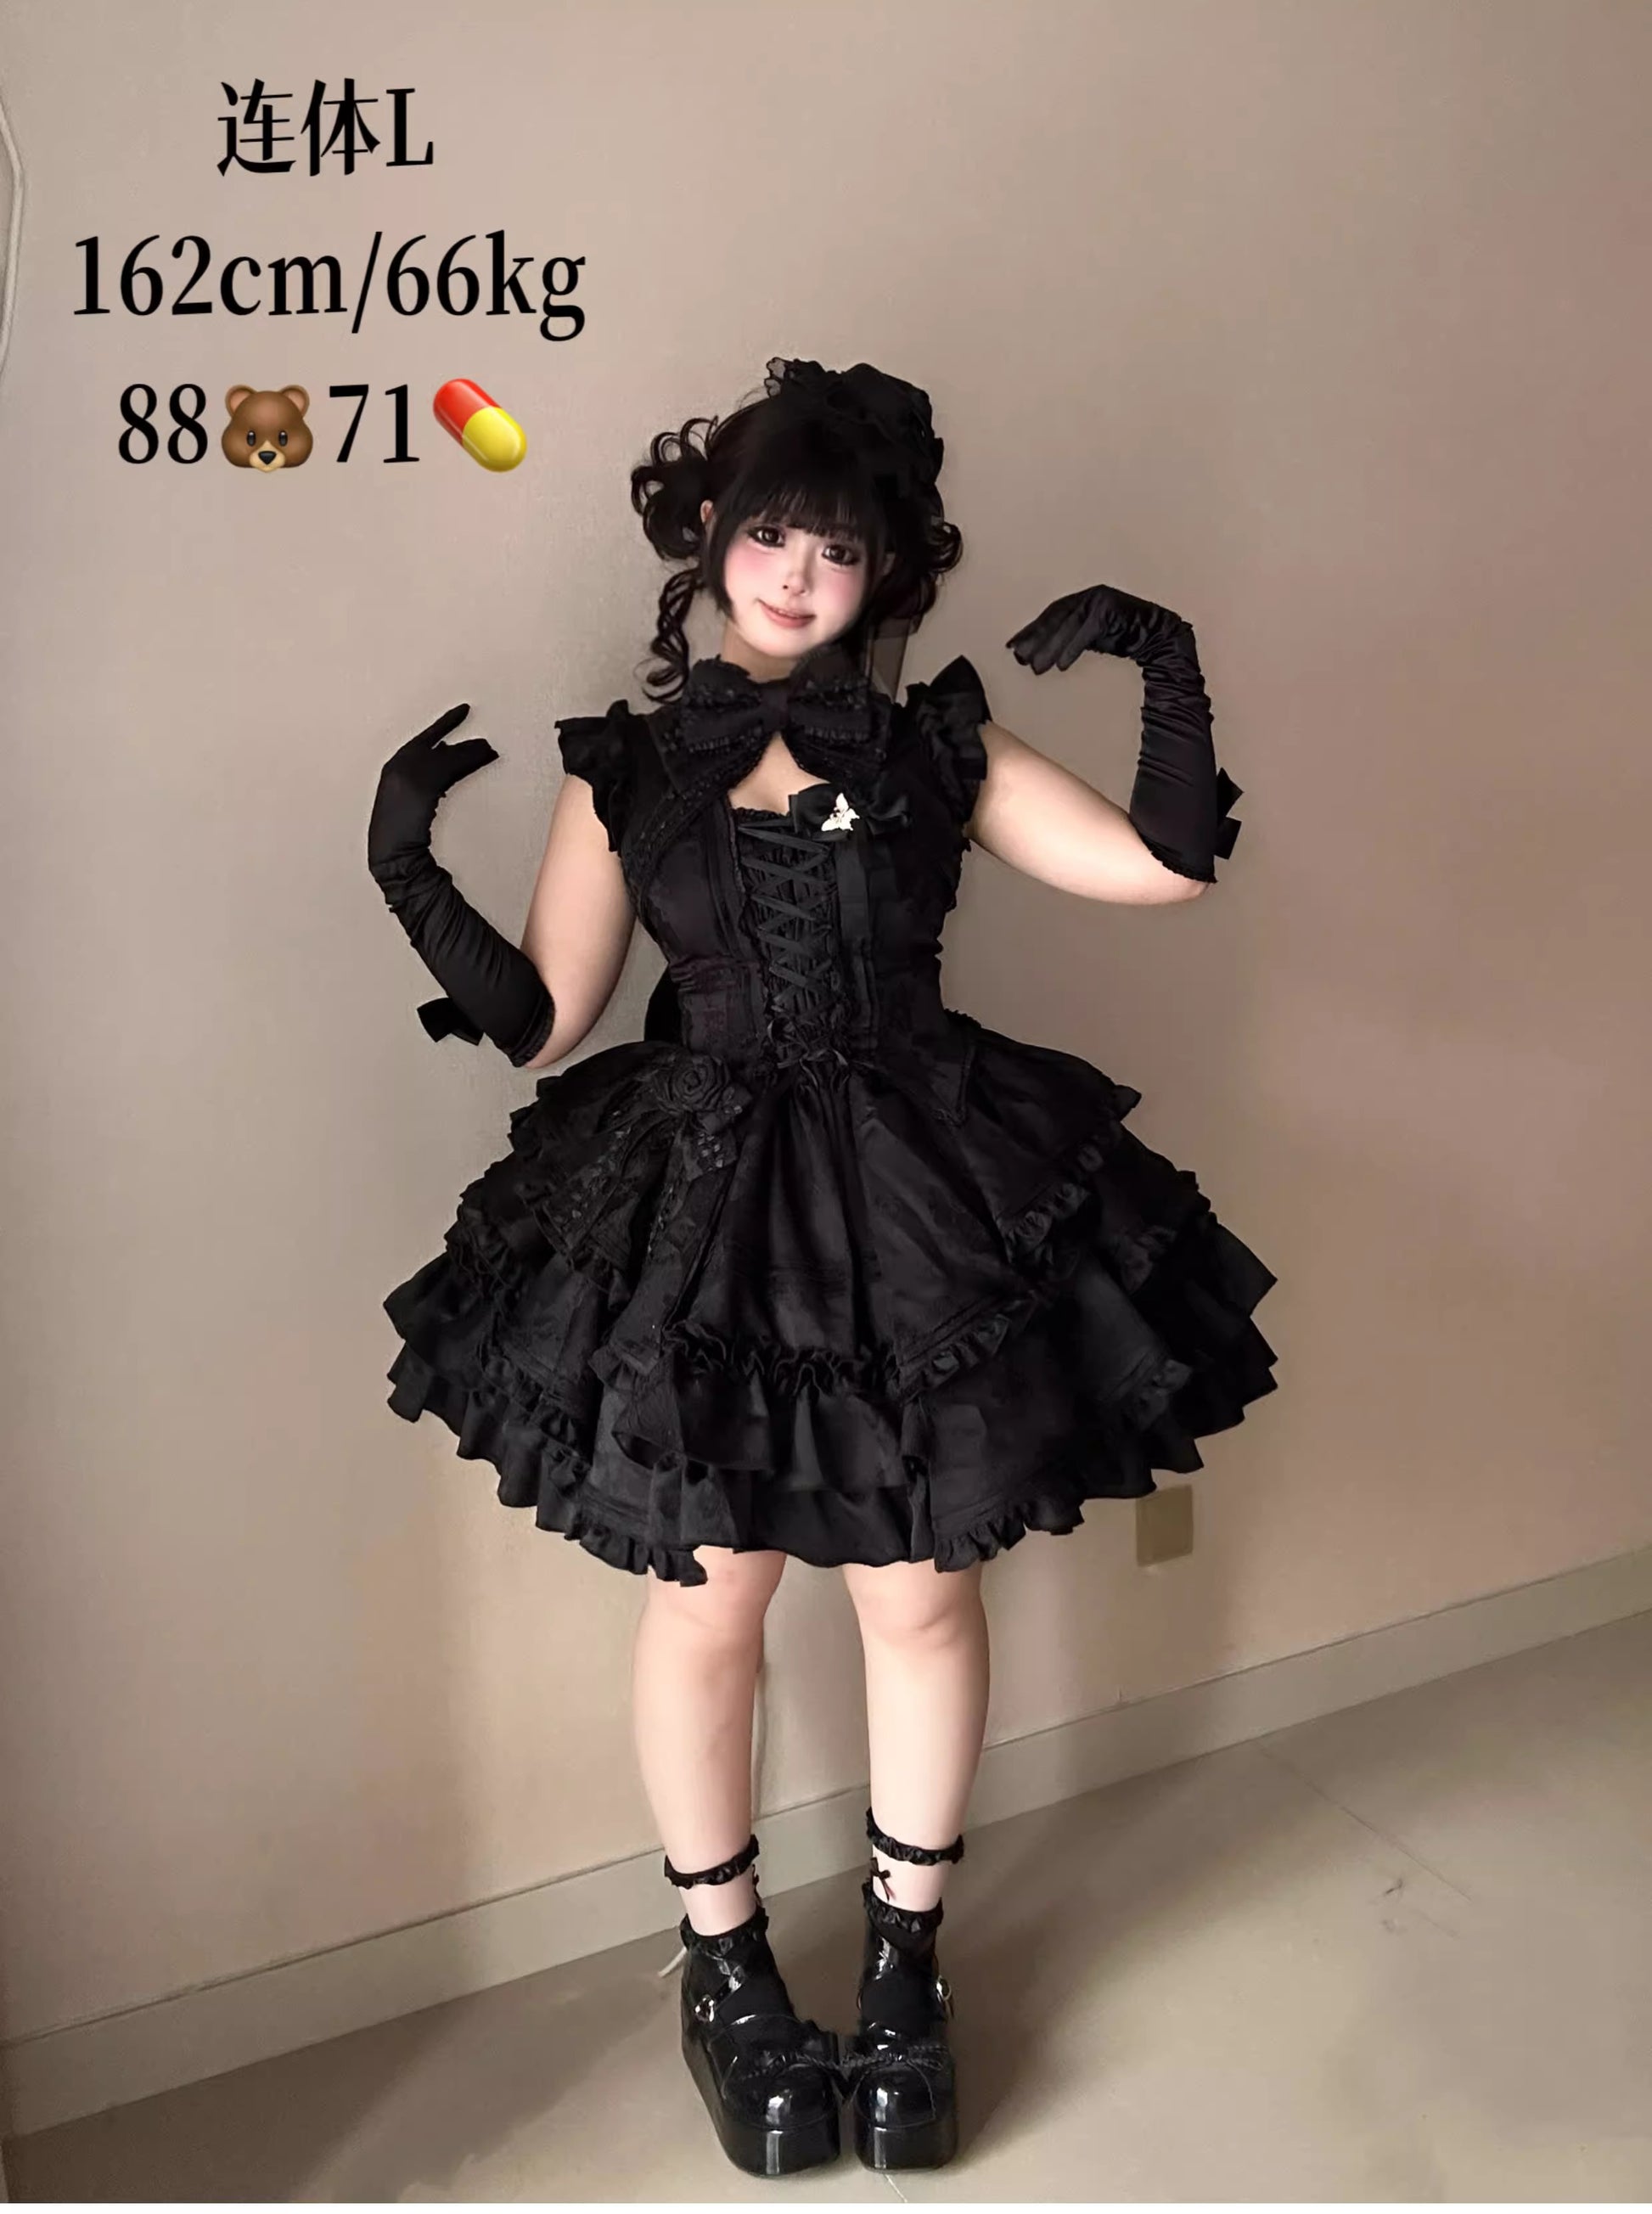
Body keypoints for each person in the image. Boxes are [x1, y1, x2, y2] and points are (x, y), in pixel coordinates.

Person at [366, 357, 1278, 2177]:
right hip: (701, 1214)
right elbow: (545, 1019)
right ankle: (724, 1974)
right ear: (710, 532)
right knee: (708, 1600)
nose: (796, 574)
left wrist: (1163, 666)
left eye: (839, 548)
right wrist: (409, 870)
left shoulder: (938, 747)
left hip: (917, 1203)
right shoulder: (631, 768)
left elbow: (1162, 867)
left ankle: (903, 1964)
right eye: (771, 532)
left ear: (884, 572)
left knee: (917, 1597)